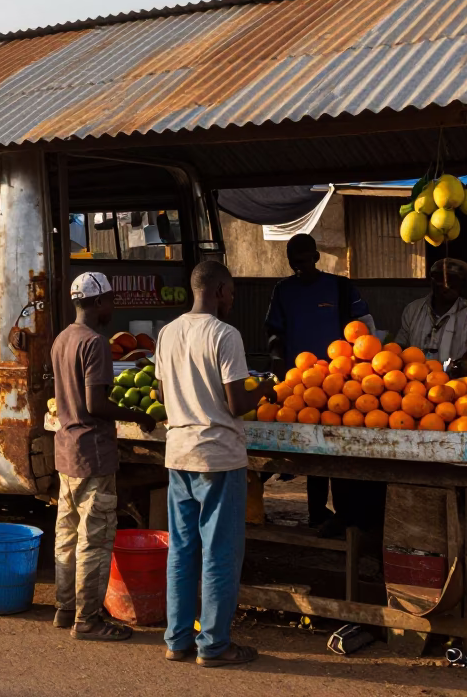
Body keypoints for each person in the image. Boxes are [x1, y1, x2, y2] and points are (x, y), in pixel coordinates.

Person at [157, 260, 277, 667]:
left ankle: (177, 641)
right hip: (218, 457)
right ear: (221, 290)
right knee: (219, 553)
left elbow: (160, 394)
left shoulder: (167, 332)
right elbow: (237, 403)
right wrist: (265, 386)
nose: (233, 300)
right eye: (233, 293)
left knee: (183, 550)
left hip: (178, 453)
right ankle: (213, 645)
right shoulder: (226, 335)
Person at [51, 271, 155, 641]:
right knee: (93, 540)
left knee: (66, 534)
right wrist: (140, 416)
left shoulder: (63, 338)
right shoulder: (94, 342)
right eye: (110, 300)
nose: (114, 306)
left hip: (66, 450)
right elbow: (96, 404)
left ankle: (66, 610)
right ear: (97, 304)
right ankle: (88, 620)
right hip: (93, 453)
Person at [265, 233, 376, 530]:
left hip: (341, 380)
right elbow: (274, 331)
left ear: (316, 256)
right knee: (310, 447)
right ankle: (316, 512)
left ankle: (343, 515)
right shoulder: (283, 290)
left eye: (303, 261)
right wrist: (276, 359)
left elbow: (365, 326)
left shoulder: (340, 287)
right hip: (300, 382)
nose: (298, 268)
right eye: (293, 263)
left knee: (338, 446)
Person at [394, 258, 467, 364]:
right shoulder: (413, 309)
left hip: (457, 379)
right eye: (441, 280)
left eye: (454, 280)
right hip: (415, 375)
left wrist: (462, 366)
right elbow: (400, 346)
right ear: (432, 282)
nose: (447, 286)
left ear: (462, 285)